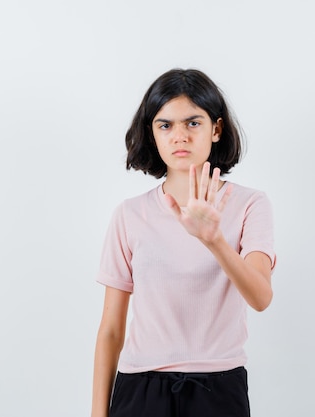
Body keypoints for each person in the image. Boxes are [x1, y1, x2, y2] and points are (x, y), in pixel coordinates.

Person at [91, 68, 276, 417]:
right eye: (165, 125)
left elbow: (261, 297)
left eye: (193, 123)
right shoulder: (130, 214)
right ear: (152, 133)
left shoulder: (251, 204)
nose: (180, 136)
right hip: (140, 390)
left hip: (218, 388)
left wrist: (214, 241)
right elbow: (111, 330)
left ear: (216, 129)